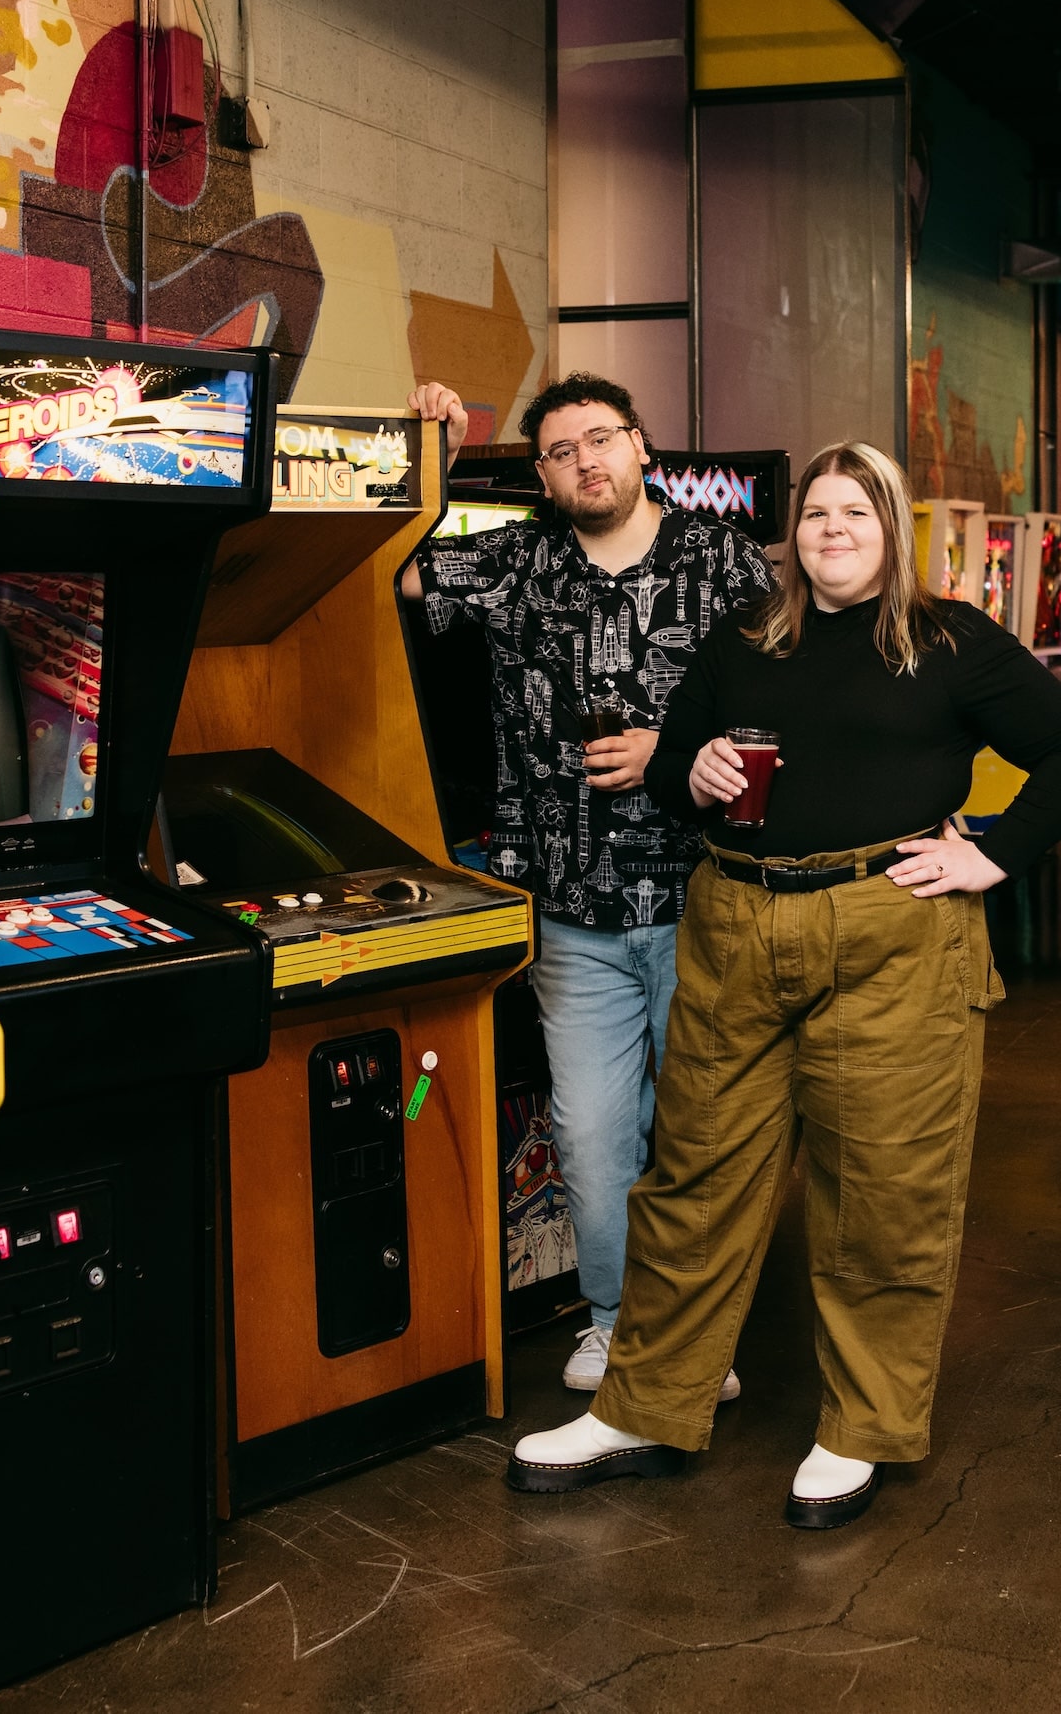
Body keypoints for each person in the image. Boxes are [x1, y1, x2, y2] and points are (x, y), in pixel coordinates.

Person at [507, 440, 1061, 1526]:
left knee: (882, 1191)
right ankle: (645, 1405)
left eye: (856, 511)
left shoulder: (948, 641)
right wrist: (688, 770)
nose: (832, 528)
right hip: (736, 918)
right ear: (794, 531)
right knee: (693, 1176)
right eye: (817, 511)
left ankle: (860, 1427)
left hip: (893, 932)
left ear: (893, 526)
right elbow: (685, 753)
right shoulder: (746, 638)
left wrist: (992, 852)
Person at [402, 373, 777, 1393]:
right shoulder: (514, 559)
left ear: (643, 446)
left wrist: (677, 744)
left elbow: (789, 696)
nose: (586, 461)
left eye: (601, 438)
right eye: (561, 450)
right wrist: (424, 449)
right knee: (592, 1129)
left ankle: (700, 1331)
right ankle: (614, 1318)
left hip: (708, 893)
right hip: (569, 907)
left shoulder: (719, 559)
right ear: (541, 473)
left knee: (705, 1129)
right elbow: (381, 571)